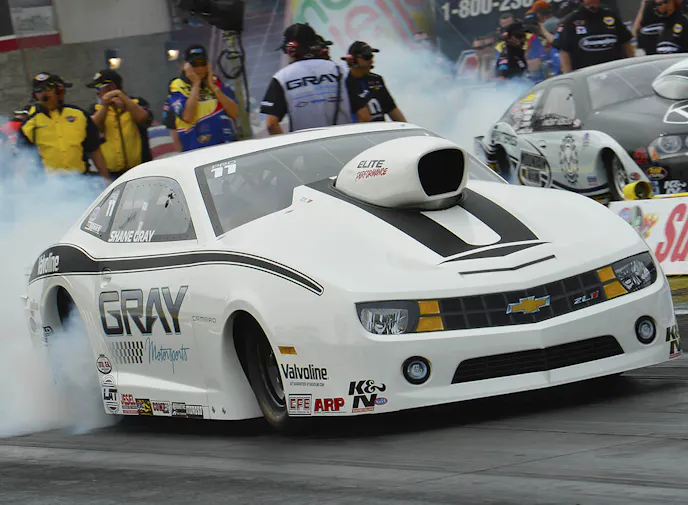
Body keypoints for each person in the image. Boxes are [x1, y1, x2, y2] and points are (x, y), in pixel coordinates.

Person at [260, 23, 353, 134]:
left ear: (290, 49)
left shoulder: (282, 77)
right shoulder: (342, 71)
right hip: (345, 140)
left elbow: (271, 123)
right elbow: (363, 115)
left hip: (307, 143)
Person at [19, 72, 109, 180]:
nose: (44, 93)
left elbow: (95, 150)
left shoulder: (78, 114)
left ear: (57, 90)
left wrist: (106, 179)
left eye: (48, 88)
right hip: (50, 183)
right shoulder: (30, 122)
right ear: (35, 95)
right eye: (39, 90)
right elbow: (22, 157)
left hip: (81, 179)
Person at [168, 44, 239, 152]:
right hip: (196, 149)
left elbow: (234, 113)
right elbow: (187, 116)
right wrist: (196, 84)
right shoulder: (177, 85)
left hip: (225, 146)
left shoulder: (215, 81)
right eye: (195, 64)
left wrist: (213, 87)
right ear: (186, 66)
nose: (200, 68)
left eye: (203, 63)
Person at [87, 69, 153, 179]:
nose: (98, 93)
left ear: (111, 87)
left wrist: (121, 97)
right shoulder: (95, 109)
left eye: (99, 88)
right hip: (111, 173)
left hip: (140, 169)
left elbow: (142, 117)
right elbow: (92, 127)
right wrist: (105, 106)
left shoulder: (137, 102)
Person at [553, 0, 634, 73]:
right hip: (586, 73)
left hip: (614, 71)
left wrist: (632, 65)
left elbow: (626, 43)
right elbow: (564, 50)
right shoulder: (571, 20)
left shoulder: (611, 16)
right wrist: (568, 74)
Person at [344, 41, 406, 123]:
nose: (371, 61)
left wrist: (407, 127)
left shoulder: (377, 80)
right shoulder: (345, 83)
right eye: (367, 57)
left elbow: (392, 109)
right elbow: (364, 118)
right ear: (353, 60)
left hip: (381, 128)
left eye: (372, 57)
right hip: (362, 130)